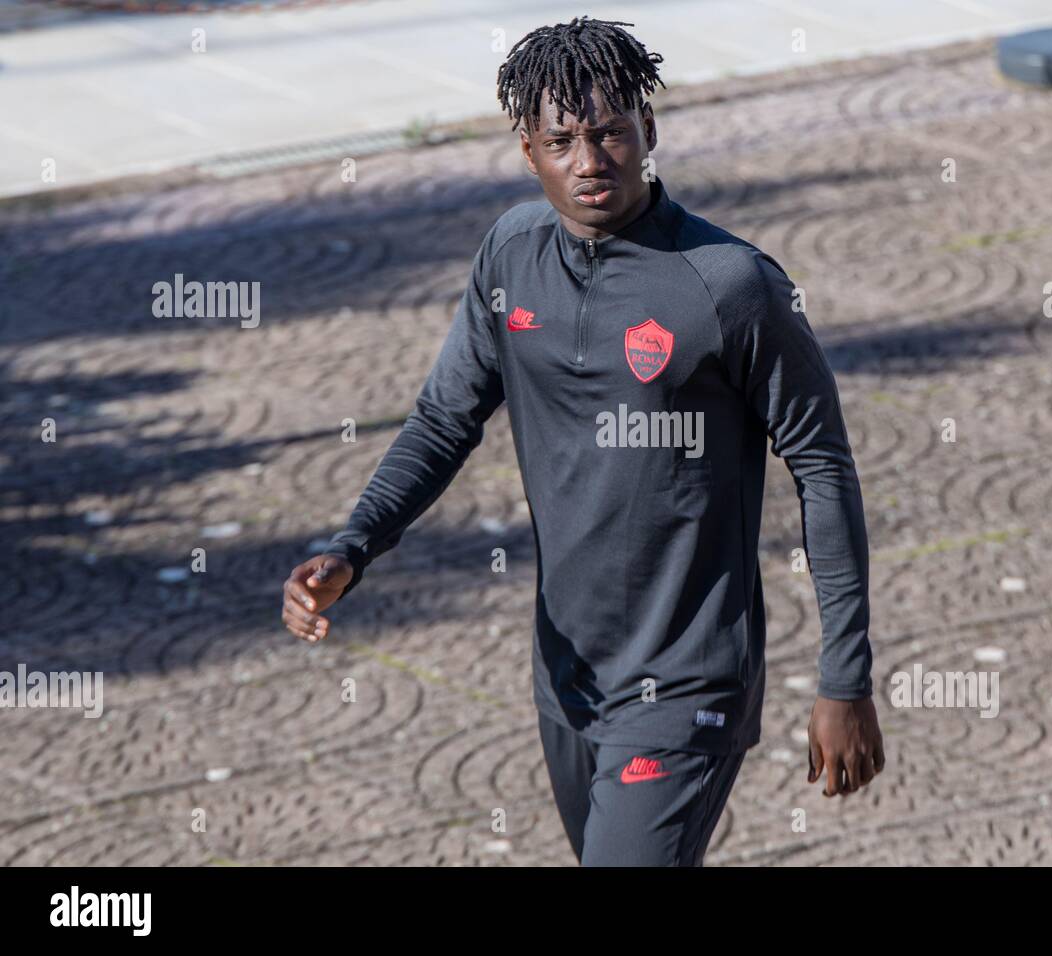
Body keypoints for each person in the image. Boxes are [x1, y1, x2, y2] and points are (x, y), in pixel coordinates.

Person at [280, 15, 885, 866]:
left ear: (650, 131)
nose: (591, 160)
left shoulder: (731, 285)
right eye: (562, 140)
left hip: (687, 679)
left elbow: (823, 466)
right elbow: (443, 419)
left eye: (610, 133)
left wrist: (844, 679)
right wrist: (354, 547)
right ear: (529, 152)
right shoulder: (510, 257)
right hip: (566, 675)